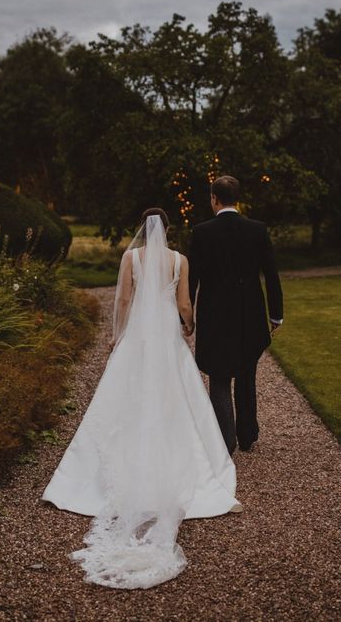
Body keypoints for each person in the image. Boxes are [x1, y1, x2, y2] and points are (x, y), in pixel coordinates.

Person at [42, 208, 241, 590]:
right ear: (167, 230)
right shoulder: (179, 260)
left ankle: (108, 470)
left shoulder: (130, 257)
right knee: (175, 398)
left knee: (125, 397)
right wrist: (188, 326)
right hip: (167, 336)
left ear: (143, 230)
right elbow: (184, 305)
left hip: (138, 337)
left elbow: (122, 302)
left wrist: (118, 336)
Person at [188, 175, 283, 454]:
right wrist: (275, 314)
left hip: (215, 316)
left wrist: (186, 317)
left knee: (219, 377)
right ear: (237, 199)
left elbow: (192, 278)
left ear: (214, 198)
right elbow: (272, 275)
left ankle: (225, 440)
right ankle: (247, 436)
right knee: (246, 372)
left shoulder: (202, 232)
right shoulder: (258, 229)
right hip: (249, 315)